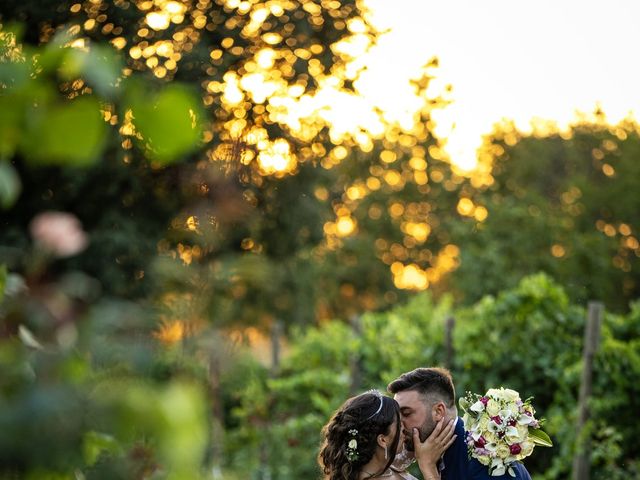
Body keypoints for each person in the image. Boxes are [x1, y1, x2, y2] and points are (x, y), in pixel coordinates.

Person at [388, 367, 532, 480]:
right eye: (396, 415)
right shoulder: (436, 448)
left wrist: (428, 469)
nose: (399, 423)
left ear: (438, 411)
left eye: (406, 413)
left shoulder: (484, 461)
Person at [319, 390, 457, 479]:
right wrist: (428, 466)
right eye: (399, 424)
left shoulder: (383, 467)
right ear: (383, 440)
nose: (404, 427)